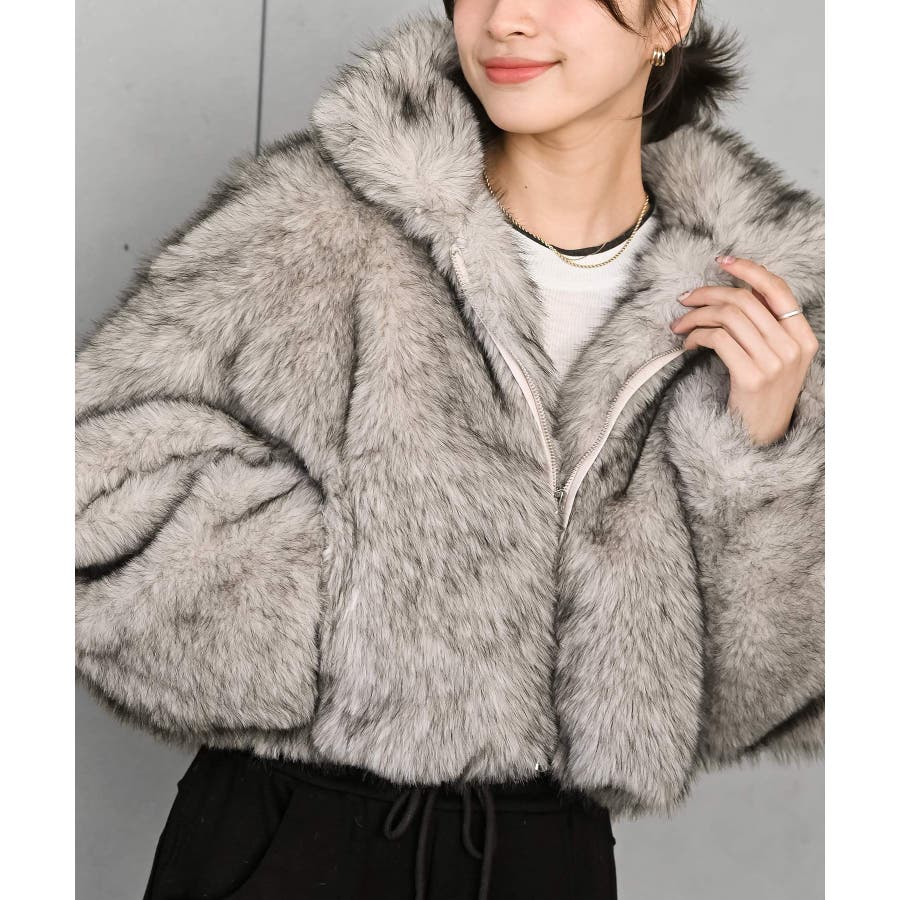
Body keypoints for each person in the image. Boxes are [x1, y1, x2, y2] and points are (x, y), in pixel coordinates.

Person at [74, 1, 824, 898]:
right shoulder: (318, 222)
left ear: (668, 14)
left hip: (547, 857)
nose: (506, 19)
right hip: (293, 834)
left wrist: (758, 461)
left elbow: (753, 700)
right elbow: (89, 487)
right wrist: (357, 617)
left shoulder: (760, 309)